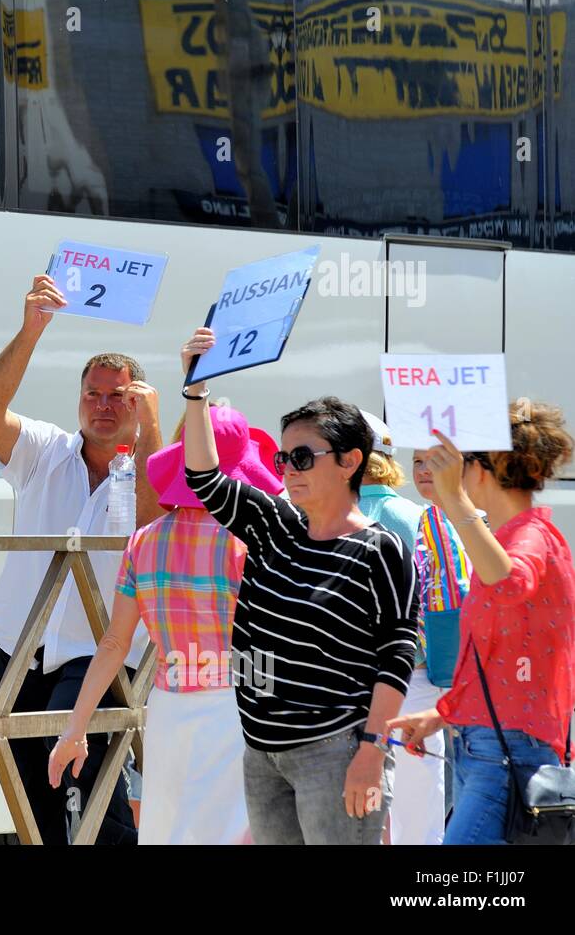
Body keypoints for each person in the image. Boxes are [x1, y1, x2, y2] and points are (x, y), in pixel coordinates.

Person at [179, 326, 419, 845]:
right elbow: (204, 479)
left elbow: (397, 654)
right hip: (261, 751)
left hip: (336, 751)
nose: (288, 470)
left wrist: (372, 752)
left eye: (303, 458)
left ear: (351, 461)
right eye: (283, 459)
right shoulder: (275, 523)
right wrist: (195, 393)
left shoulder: (382, 549)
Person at [0, 273, 164, 845]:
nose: (104, 406)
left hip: (97, 659)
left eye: (119, 397)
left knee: (90, 790)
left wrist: (152, 421)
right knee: (32, 803)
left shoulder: (148, 464)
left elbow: (157, 518)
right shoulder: (45, 449)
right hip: (19, 649)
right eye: (93, 394)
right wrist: (31, 332)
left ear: (138, 402)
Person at [49, 406, 284, 844]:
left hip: (169, 705)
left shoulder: (145, 539)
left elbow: (115, 642)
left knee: (168, 830)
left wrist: (75, 728)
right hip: (242, 701)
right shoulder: (251, 539)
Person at [387, 400, 575, 845]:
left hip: (504, 753)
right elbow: (500, 659)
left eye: (460, 461)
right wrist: (443, 713)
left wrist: (452, 501)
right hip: (494, 747)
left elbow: (509, 582)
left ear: (484, 469)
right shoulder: (515, 535)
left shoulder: (528, 536)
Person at [357, 411, 444, 844]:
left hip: (345, 678)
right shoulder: (420, 517)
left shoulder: (319, 514)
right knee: (418, 808)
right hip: (414, 674)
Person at [409, 445, 474, 817]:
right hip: (446, 670)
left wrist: (447, 675)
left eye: (434, 462)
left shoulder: (444, 517)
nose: (423, 471)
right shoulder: (431, 515)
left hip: (449, 671)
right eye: (417, 462)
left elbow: (450, 600)